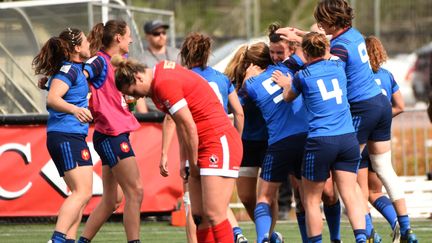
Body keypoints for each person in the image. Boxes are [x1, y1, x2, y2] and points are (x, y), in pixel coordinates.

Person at [277, 0, 416, 241]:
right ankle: (404, 228)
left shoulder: (334, 52)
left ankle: (369, 232)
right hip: (379, 104)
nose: (319, 25)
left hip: (358, 109)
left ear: (332, 20)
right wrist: (301, 35)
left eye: (321, 20)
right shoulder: (355, 34)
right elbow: (322, 48)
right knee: (382, 168)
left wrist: (298, 49)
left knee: (351, 181)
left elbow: (321, 57)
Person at [114, 58, 243, 243]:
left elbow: (189, 126)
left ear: (138, 77)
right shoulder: (158, 79)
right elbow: (181, 126)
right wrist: (185, 162)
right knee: (199, 215)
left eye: (134, 92)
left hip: (218, 140)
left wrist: (194, 162)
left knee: (215, 213)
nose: (138, 98)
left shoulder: (163, 83)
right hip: (203, 142)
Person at [272, 31, 367, 243]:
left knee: (311, 200)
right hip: (347, 138)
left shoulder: (302, 76)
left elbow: (288, 98)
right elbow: (328, 46)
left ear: (304, 52)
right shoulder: (338, 66)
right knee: (350, 195)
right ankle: (361, 238)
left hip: (321, 141)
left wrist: (286, 84)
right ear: (325, 49)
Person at [160, 32, 246, 243]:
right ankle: (236, 233)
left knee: (195, 207)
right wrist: (235, 140)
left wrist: (165, 153)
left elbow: (174, 120)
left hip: (200, 143)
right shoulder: (222, 78)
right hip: (222, 144)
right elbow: (239, 113)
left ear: (185, 53)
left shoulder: (182, 79)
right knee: (217, 205)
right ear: (208, 53)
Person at [230, 41, 309, 243]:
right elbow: (232, 107)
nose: (276, 57)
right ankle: (269, 235)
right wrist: (246, 81)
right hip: (247, 142)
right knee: (247, 197)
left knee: (270, 195)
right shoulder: (244, 82)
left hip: (270, 142)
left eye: (277, 53)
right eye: (272, 54)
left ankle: (267, 236)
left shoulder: (279, 72)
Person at [76, 19, 143, 243]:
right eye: (129, 35)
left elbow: (122, 98)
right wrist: (72, 103)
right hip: (111, 134)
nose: (131, 39)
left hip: (115, 133)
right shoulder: (99, 61)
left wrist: (127, 100)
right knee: (136, 191)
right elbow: (76, 77)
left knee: (113, 199)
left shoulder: (120, 62)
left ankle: (82, 241)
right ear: (118, 38)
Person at [33, 27, 93, 243]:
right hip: (66, 135)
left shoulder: (73, 68)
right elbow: (53, 99)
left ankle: (68, 239)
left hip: (73, 135)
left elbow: (58, 87)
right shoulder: (69, 69)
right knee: (82, 192)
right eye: (85, 41)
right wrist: (75, 110)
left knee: (82, 193)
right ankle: (57, 240)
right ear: (77, 48)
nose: (89, 44)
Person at [364, 35, 405, 236]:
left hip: (360, 137)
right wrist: (380, 117)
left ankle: (370, 234)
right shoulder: (387, 75)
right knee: (374, 191)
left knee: (359, 193)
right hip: (381, 139)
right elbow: (400, 106)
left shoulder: (356, 77)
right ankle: (398, 222)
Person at [135, 20, 180, 113]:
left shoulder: (177, 54)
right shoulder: (141, 59)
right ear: (147, 36)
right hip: (155, 112)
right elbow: (138, 93)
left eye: (163, 32)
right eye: (156, 33)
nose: (161, 36)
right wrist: (146, 117)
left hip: (179, 108)